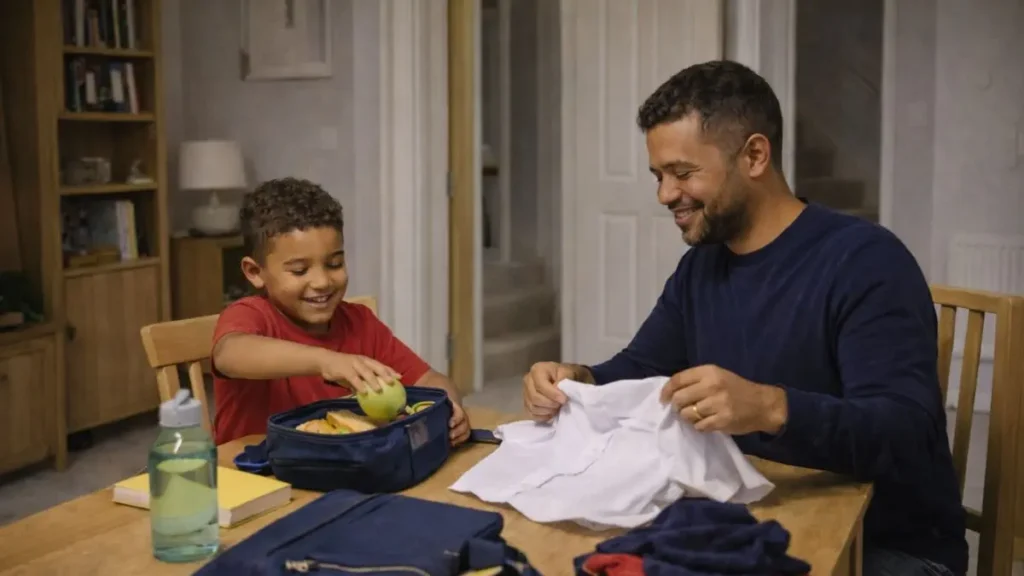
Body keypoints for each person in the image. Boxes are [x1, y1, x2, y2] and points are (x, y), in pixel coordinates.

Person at [522, 61, 966, 576]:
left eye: (683, 173)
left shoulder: (867, 262)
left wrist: (770, 407)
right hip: (758, 522)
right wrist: (579, 378)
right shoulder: (702, 267)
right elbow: (642, 365)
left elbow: (905, 432)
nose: (665, 195)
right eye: (659, 175)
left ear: (755, 155)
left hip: (889, 546)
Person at [211, 177, 470, 446]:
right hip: (255, 478)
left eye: (334, 263)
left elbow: (428, 379)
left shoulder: (359, 322)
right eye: (300, 270)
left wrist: (447, 408)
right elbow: (230, 354)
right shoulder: (250, 315)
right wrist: (327, 361)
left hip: (337, 473)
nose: (322, 282)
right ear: (255, 272)